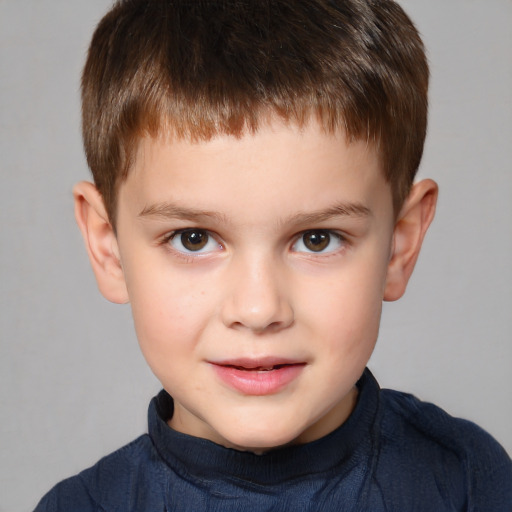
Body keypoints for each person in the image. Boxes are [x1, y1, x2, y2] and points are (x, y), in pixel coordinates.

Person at [34, 0, 511, 510]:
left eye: (317, 239)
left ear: (400, 242)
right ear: (109, 247)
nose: (259, 310)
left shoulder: (466, 481)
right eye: (193, 239)